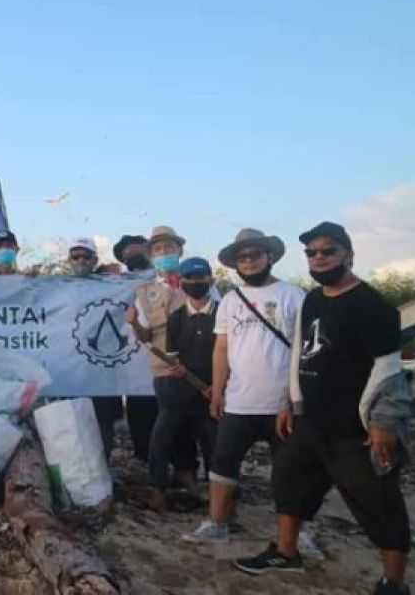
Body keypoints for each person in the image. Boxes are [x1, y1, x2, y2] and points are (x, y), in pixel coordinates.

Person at [235, 223, 411, 593]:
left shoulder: (372, 305)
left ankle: (393, 581)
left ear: (347, 253)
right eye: (311, 253)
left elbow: (390, 369)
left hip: (356, 430)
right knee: (288, 482)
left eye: (327, 251)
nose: (319, 258)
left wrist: (383, 422)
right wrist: (289, 402)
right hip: (311, 423)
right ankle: (286, 551)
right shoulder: (313, 300)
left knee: (379, 503)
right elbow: (300, 353)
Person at [185, 229, 305, 543]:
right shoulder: (229, 300)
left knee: (290, 470)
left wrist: (294, 397)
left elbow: (304, 350)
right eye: (243, 257)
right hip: (239, 400)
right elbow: (221, 349)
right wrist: (217, 390)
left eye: (254, 255)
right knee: (223, 463)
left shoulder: (293, 295)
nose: (249, 262)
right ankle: (216, 522)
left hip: (283, 402)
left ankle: (295, 534)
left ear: (270, 257)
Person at [126, 225, 196, 479]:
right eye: (158, 249)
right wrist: (133, 323)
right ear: (152, 255)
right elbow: (144, 337)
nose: (164, 252)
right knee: (166, 427)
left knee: (199, 426)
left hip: (199, 368)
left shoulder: (200, 279)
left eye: (169, 247)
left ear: (179, 250)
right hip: (165, 368)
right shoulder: (145, 291)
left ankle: (192, 477)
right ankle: (158, 484)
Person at [148, 257, 218, 512]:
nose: (195, 283)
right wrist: (179, 371)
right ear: (182, 282)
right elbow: (173, 357)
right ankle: (158, 491)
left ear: (211, 279)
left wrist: (216, 388)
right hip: (179, 393)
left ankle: (219, 498)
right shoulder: (176, 318)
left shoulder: (223, 314)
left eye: (201, 278)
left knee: (214, 445)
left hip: (211, 394)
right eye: (189, 278)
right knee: (160, 441)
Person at [67, 238, 125, 458]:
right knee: (72, 422)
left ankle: (104, 470)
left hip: (103, 367)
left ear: (95, 260)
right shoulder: (56, 287)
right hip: (69, 367)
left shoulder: (111, 283)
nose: (81, 261)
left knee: (104, 421)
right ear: (69, 261)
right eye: (76, 256)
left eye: (86, 256)